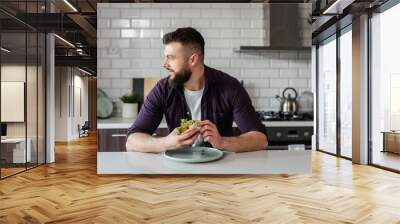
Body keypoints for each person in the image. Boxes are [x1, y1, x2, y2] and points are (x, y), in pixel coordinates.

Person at [126, 27, 268, 153]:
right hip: (177, 170)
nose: (165, 64)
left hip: (221, 170)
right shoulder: (162, 89)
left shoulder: (230, 86)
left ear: (193, 60)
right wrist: (166, 143)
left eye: (170, 58)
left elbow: (260, 139)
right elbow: (132, 141)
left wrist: (222, 142)